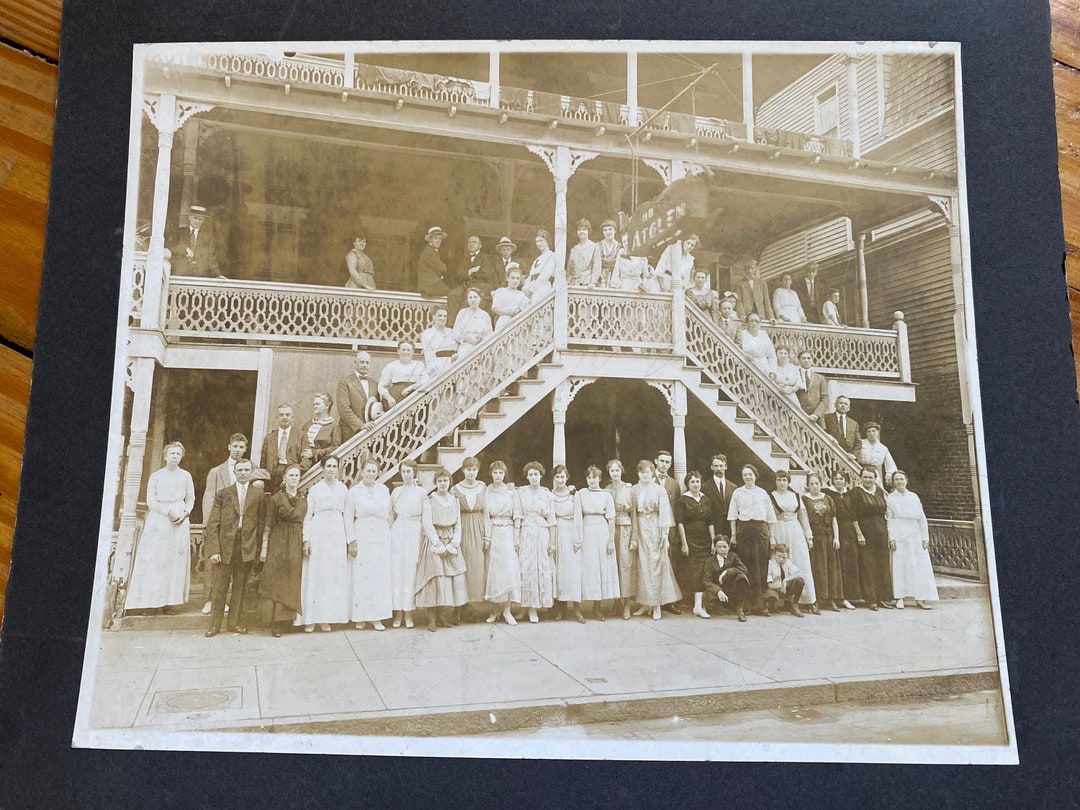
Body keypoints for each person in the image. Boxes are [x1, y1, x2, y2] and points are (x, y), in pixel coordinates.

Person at [126, 442, 194, 612]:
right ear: (165, 456)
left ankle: (170, 601)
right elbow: (151, 501)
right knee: (156, 560)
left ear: (182, 456)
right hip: (159, 519)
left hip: (179, 520)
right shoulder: (156, 476)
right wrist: (167, 511)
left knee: (173, 561)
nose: (175, 456)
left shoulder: (186, 476)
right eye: (172, 453)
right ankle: (150, 601)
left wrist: (185, 513)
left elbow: (191, 499)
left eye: (178, 454)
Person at [204, 457, 263, 636]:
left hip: (245, 547)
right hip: (225, 546)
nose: (243, 473)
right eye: (240, 470)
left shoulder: (258, 495)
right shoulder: (224, 493)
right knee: (220, 587)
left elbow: (260, 525)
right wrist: (214, 550)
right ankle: (215, 625)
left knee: (240, 587)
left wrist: (257, 550)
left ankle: (234, 623)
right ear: (235, 472)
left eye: (247, 470)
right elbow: (213, 524)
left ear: (251, 472)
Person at [297, 456, 351, 631]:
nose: (331, 469)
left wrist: (348, 540)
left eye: (334, 466)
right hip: (319, 533)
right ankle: (311, 619)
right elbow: (308, 516)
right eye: (328, 466)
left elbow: (347, 517)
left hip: (336, 533)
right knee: (316, 575)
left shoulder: (343, 489)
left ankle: (325, 618)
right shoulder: (315, 489)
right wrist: (307, 540)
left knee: (331, 576)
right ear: (322, 468)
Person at [200, 432, 249, 615]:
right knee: (213, 562)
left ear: (245, 449)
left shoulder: (247, 469)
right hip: (219, 523)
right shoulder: (216, 471)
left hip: (237, 526)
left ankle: (226, 601)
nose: (238, 450)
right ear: (229, 447)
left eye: (241, 447)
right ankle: (209, 600)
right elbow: (208, 497)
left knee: (233, 565)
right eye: (235, 446)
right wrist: (207, 524)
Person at [415, 468, 469, 631]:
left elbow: (458, 523)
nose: (443, 484)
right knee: (436, 579)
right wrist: (437, 544)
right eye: (440, 481)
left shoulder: (455, 500)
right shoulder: (429, 500)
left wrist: (454, 543)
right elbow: (427, 523)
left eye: (445, 481)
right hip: (435, 541)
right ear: (436, 483)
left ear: (449, 482)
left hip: (451, 540)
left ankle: (443, 617)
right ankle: (431, 618)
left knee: (451, 580)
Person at [630, 459, 681, 620]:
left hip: (654, 529)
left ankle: (657, 604)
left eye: (647, 472)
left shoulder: (659, 490)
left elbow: (665, 513)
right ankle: (645, 603)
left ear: (652, 473)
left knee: (655, 565)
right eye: (642, 472)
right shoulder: (633, 489)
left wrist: (664, 535)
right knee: (641, 566)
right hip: (639, 528)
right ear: (638, 473)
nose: (645, 475)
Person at [346, 457, 393, 631]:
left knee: (379, 577)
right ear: (362, 472)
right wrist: (351, 540)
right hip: (362, 534)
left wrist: (387, 533)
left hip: (380, 535)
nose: (371, 474)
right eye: (368, 471)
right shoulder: (355, 491)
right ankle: (360, 617)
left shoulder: (383, 489)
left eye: (374, 471)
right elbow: (348, 516)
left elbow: (389, 514)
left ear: (378, 473)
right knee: (362, 575)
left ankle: (376, 617)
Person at [258, 463, 305, 637]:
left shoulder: (303, 498)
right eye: (291, 475)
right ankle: (274, 623)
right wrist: (264, 547)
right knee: (276, 578)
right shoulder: (276, 498)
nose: (294, 478)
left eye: (296, 476)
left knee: (291, 578)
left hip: (296, 540)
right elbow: (268, 524)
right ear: (284, 478)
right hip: (278, 539)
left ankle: (286, 620)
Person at [727, 463, 776, 615]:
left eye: (750, 474)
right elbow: (733, 517)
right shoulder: (737, 493)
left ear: (755, 475)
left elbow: (770, 518)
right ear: (742, 477)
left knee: (761, 567)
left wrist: (772, 537)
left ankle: (760, 605)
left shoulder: (763, 493)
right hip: (744, 531)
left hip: (761, 532)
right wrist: (734, 536)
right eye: (745, 475)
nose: (748, 477)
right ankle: (746, 605)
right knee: (746, 567)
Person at [769, 470, 819, 614]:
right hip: (779, 529)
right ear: (776, 481)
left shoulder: (795, 496)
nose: (782, 483)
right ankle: (782, 601)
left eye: (785, 480)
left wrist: (808, 536)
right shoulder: (771, 496)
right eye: (779, 480)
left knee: (801, 562)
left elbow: (803, 517)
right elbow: (770, 518)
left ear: (788, 481)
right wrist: (772, 537)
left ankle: (808, 601)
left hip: (795, 531)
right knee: (780, 563)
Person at [887, 471, 938, 609]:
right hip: (899, 533)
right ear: (893, 482)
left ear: (906, 480)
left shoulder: (914, 497)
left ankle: (920, 598)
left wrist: (925, 537)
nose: (899, 482)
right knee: (900, 565)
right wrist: (891, 538)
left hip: (914, 533)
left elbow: (922, 518)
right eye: (896, 479)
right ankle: (899, 597)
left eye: (901, 479)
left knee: (918, 566)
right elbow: (890, 520)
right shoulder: (890, 498)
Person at [575, 465, 619, 621]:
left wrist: (610, 541)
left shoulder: (606, 495)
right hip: (586, 530)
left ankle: (597, 608)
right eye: (589, 477)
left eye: (594, 477)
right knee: (584, 567)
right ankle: (577, 608)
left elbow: (611, 519)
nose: (592, 480)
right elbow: (577, 517)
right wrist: (578, 538)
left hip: (602, 530)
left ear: (599, 478)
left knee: (600, 567)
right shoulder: (580, 494)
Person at [516, 461, 557, 623]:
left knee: (540, 567)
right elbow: (518, 514)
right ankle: (523, 607)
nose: (533, 477)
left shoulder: (547, 494)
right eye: (530, 474)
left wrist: (552, 541)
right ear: (527, 477)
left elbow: (552, 519)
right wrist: (516, 537)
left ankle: (534, 608)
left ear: (541, 475)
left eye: (536, 474)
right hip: (526, 532)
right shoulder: (521, 493)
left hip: (542, 532)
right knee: (525, 567)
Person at [848, 464, 893, 610]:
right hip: (865, 532)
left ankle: (884, 598)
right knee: (868, 565)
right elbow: (853, 514)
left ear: (875, 478)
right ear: (861, 478)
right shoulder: (856, 492)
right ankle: (871, 599)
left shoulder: (879, 491)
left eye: (870, 477)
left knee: (883, 564)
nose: (868, 479)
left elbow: (885, 512)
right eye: (865, 477)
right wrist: (859, 533)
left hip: (881, 531)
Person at [483, 460, 522, 626]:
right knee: (494, 571)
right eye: (495, 473)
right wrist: (487, 536)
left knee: (508, 570)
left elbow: (517, 515)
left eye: (501, 473)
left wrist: (516, 538)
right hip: (493, 531)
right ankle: (495, 609)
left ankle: (506, 610)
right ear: (491, 474)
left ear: (504, 474)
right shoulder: (486, 491)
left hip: (507, 531)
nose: (498, 476)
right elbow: (485, 515)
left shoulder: (511, 492)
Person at [389, 459, 425, 629]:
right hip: (398, 530)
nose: (406, 475)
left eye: (409, 472)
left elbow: (425, 517)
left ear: (414, 473)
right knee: (397, 571)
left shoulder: (422, 493)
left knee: (411, 571)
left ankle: (409, 612)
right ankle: (398, 612)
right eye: (403, 471)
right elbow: (390, 515)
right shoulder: (396, 492)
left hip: (414, 531)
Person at [452, 456, 488, 620]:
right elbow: (453, 513)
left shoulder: (483, 487)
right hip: (463, 528)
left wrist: (487, 536)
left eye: (474, 469)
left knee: (476, 568)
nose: (471, 472)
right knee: (461, 568)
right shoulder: (455, 489)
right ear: (463, 470)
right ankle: (459, 607)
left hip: (479, 527)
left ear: (477, 470)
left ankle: (471, 605)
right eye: (468, 469)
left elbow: (486, 512)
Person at [676, 470, 716, 619]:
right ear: (687, 484)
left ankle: (701, 604)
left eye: (698, 481)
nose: (695, 484)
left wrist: (713, 541)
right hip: (691, 539)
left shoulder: (706, 499)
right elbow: (680, 523)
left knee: (704, 571)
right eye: (692, 482)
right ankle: (697, 606)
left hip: (705, 539)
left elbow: (710, 521)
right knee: (695, 571)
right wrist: (684, 544)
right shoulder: (683, 500)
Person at [802, 473, 843, 612]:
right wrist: (809, 538)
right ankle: (817, 599)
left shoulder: (828, 499)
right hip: (815, 537)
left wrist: (836, 537)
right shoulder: (804, 499)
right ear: (808, 485)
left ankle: (831, 599)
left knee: (831, 567)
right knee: (817, 567)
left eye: (817, 483)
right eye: (812, 483)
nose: (815, 486)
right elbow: (804, 519)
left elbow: (833, 519)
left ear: (821, 484)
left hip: (828, 536)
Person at [551, 464, 584, 623]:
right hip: (557, 532)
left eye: (562, 476)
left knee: (573, 571)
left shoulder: (574, 494)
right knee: (559, 571)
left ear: (567, 477)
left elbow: (578, 517)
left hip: (571, 532)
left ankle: (577, 608)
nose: (560, 480)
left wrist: (578, 538)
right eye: (557, 477)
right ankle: (561, 607)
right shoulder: (550, 495)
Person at [606, 458, 638, 620]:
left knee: (626, 567)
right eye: (612, 471)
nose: (615, 473)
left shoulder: (629, 489)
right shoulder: (606, 490)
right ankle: (616, 603)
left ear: (621, 471)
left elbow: (634, 516)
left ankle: (626, 604)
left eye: (617, 470)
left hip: (626, 530)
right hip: (610, 532)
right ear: (609, 473)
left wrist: (634, 537)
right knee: (613, 566)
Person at [653, 450, 685, 613]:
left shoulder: (674, 483)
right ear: (656, 461)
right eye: (662, 461)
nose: (664, 464)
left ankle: (669, 601)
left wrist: (676, 533)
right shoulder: (648, 478)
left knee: (669, 563)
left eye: (667, 462)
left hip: (669, 530)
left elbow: (676, 510)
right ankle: (653, 600)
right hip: (651, 528)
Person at [824, 470, 859, 610]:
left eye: (841, 479)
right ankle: (838, 596)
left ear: (845, 480)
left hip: (849, 531)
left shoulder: (849, 493)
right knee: (838, 564)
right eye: (836, 478)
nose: (839, 481)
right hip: (834, 530)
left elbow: (854, 513)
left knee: (849, 563)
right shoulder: (827, 493)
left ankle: (849, 596)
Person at [447, 234, 499, 318]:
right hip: (465, 285)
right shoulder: (465, 259)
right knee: (452, 295)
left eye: (474, 242)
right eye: (469, 242)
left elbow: (486, 273)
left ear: (480, 245)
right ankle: (451, 325)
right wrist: (470, 271)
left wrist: (469, 275)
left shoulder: (486, 258)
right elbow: (459, 275)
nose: (471, 244)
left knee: (470, 300)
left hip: (480, 286)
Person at [701, 537, 750, 622]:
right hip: (718, 590)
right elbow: (707, 581)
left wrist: (728, 571)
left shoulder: (733, 556)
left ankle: (739, 609)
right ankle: (721, 606)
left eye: (724, 546)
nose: (722, 549)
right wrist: (718, 591)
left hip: (731, 588)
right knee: (708, 597)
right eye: (719, 547)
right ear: (715, 548)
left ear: (729, 547)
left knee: (742, 577)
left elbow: (744, 569)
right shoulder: (710, 560)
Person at [336, 350, 381, 441]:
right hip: (350, 431)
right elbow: (344, 409)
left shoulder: (375, 384)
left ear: (370, 364)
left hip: (371, 431)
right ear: (355, 363)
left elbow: (378, 406)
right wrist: (361, 425)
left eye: (367, 362)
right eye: (362, 362)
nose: (364, 365)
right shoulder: (345, 382)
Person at [259, 403, 303, 492]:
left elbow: (306, 459)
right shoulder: (269, 438)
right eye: (281, 415)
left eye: (287, 414)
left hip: (292, 473)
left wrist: (295, 471)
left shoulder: (301, 436)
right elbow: (263, 462)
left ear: (292, 417)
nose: (284, 417)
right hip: (273, 477)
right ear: (277, 417)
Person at [172, 204, 221, 277]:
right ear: (189, 218)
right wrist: (184, 249)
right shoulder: (179, 232)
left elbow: (211, 257)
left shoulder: (207, 237)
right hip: (181, 272)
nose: (197, 221)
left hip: (200, 274)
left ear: (203, 221)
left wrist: (217, 275)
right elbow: (171, 247)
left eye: (200, 219)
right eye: (195, 218)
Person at [378, 339, 429, 410]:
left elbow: (426, 380)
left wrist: (412, 387)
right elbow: (382, 385)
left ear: (413, 352)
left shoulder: (419, 365)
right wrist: (388, 398)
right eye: (403, 349)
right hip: (396, 398)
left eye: (408, 350)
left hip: (415, 397)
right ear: (398, 351)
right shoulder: (391, 366)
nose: (406, 352)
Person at [298, 392, 341, 473]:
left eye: (318, 404)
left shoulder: (333, 425)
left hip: (319, 465)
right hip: (302, 462)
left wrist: (314, 453)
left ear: (327, 406)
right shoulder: (307, 425)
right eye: (314, 404)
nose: (315, 406)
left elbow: (335, 448)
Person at [451, 288, 494, 361]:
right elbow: (455, 332)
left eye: (475, 297)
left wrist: (482, 338)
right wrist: (466, 339)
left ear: (480, 298)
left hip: (481, 345)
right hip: (466, 345)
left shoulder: (485, 315)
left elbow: (490, 333)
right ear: (467, 300)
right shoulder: (462, 313)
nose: (473, 300)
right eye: (470, 297)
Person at [701, 454, 737, 540]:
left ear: (726, 467)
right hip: (712, 528)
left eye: (721, 466)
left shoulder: (733, 487)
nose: (719, 469)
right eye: (716, 466)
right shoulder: (704, 487)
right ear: (711, 467)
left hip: (729, 529)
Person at [764, 544, 807, 617]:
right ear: (774, 554)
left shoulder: (788, 562)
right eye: (779, 556)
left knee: (800, 581)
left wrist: (785, 581)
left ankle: (794, 606)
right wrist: (781, 585)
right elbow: (770, 585)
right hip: (773, 589)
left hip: (784, 589)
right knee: (771, 597)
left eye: (784, 557)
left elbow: (799, 574)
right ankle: (770, 605)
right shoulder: (770, 564)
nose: (781, 559)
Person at [420, 307, 459, 378]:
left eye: (445, 316)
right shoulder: (427, 334)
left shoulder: (451, 332)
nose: (443, 318)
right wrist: (449, 360)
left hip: (455, 367)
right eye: (440, 315)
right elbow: (429, 357)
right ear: (434, 316)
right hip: (439, 369)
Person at [858, 422, 898, 488]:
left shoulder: (883, 448)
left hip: (874, 474)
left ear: (878, 432)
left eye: (874, 431)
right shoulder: (860, 443)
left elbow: (891, 465)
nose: (871, 433)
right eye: (869, 431)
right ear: (866, 434)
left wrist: (889, 475)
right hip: (859, 469)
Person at [490, 264, 529, 330]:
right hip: (504, 322)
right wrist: (509, 313)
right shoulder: (501, 291)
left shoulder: (522, 295)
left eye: (518, 278)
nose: (515, 281)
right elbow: (495, 308)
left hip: (519, 323)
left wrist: (519, 311)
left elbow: (526, 309)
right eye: (512, 278)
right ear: (507, 278)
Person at [523, 230, 556, 303]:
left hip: (543, 287)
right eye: (537, 241)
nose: (539, 243)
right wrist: (525, 288)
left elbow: (545, 275)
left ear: (547, 241)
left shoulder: (551, 255)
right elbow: (530, 275)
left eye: (541, 241)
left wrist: (532, 290)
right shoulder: (537, 259)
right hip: (532, 288)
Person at [796, 350, 829, 423]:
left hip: (816, 418)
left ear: (812, 360)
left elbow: (825, 398)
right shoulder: (794, 374)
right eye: (803, 358)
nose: (806, 361)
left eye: (809, 358)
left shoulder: (820, 378)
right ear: (799, 360)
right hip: (798, 415)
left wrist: (816, 414)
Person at [417, 225, 451, 297]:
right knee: (452, 296)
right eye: (435, 238)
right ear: (430, 240)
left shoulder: (433, 251)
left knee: (452, 295)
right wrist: (443, 269)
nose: (438, 241)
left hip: (431, 284)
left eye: (440, 239)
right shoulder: (429, 252)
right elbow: (442, 268)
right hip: (429, 286)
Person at [567, 219, 601, 287]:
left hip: (588, 284)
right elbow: (569, 270)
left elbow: (597, 267)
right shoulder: (574, 249)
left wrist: (592, 282)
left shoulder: (594, 247)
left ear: (588, 231)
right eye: (579, 229)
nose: (581, 231)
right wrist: (568, 282)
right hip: (574, 283)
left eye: (584, 229)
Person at [596, 219, 625, 288]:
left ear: (615, 230)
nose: (608, 232)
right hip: (600, 278)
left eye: (610, 229)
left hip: (615, 278)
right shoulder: (597, 246)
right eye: (605, 230)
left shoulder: (620, 247)